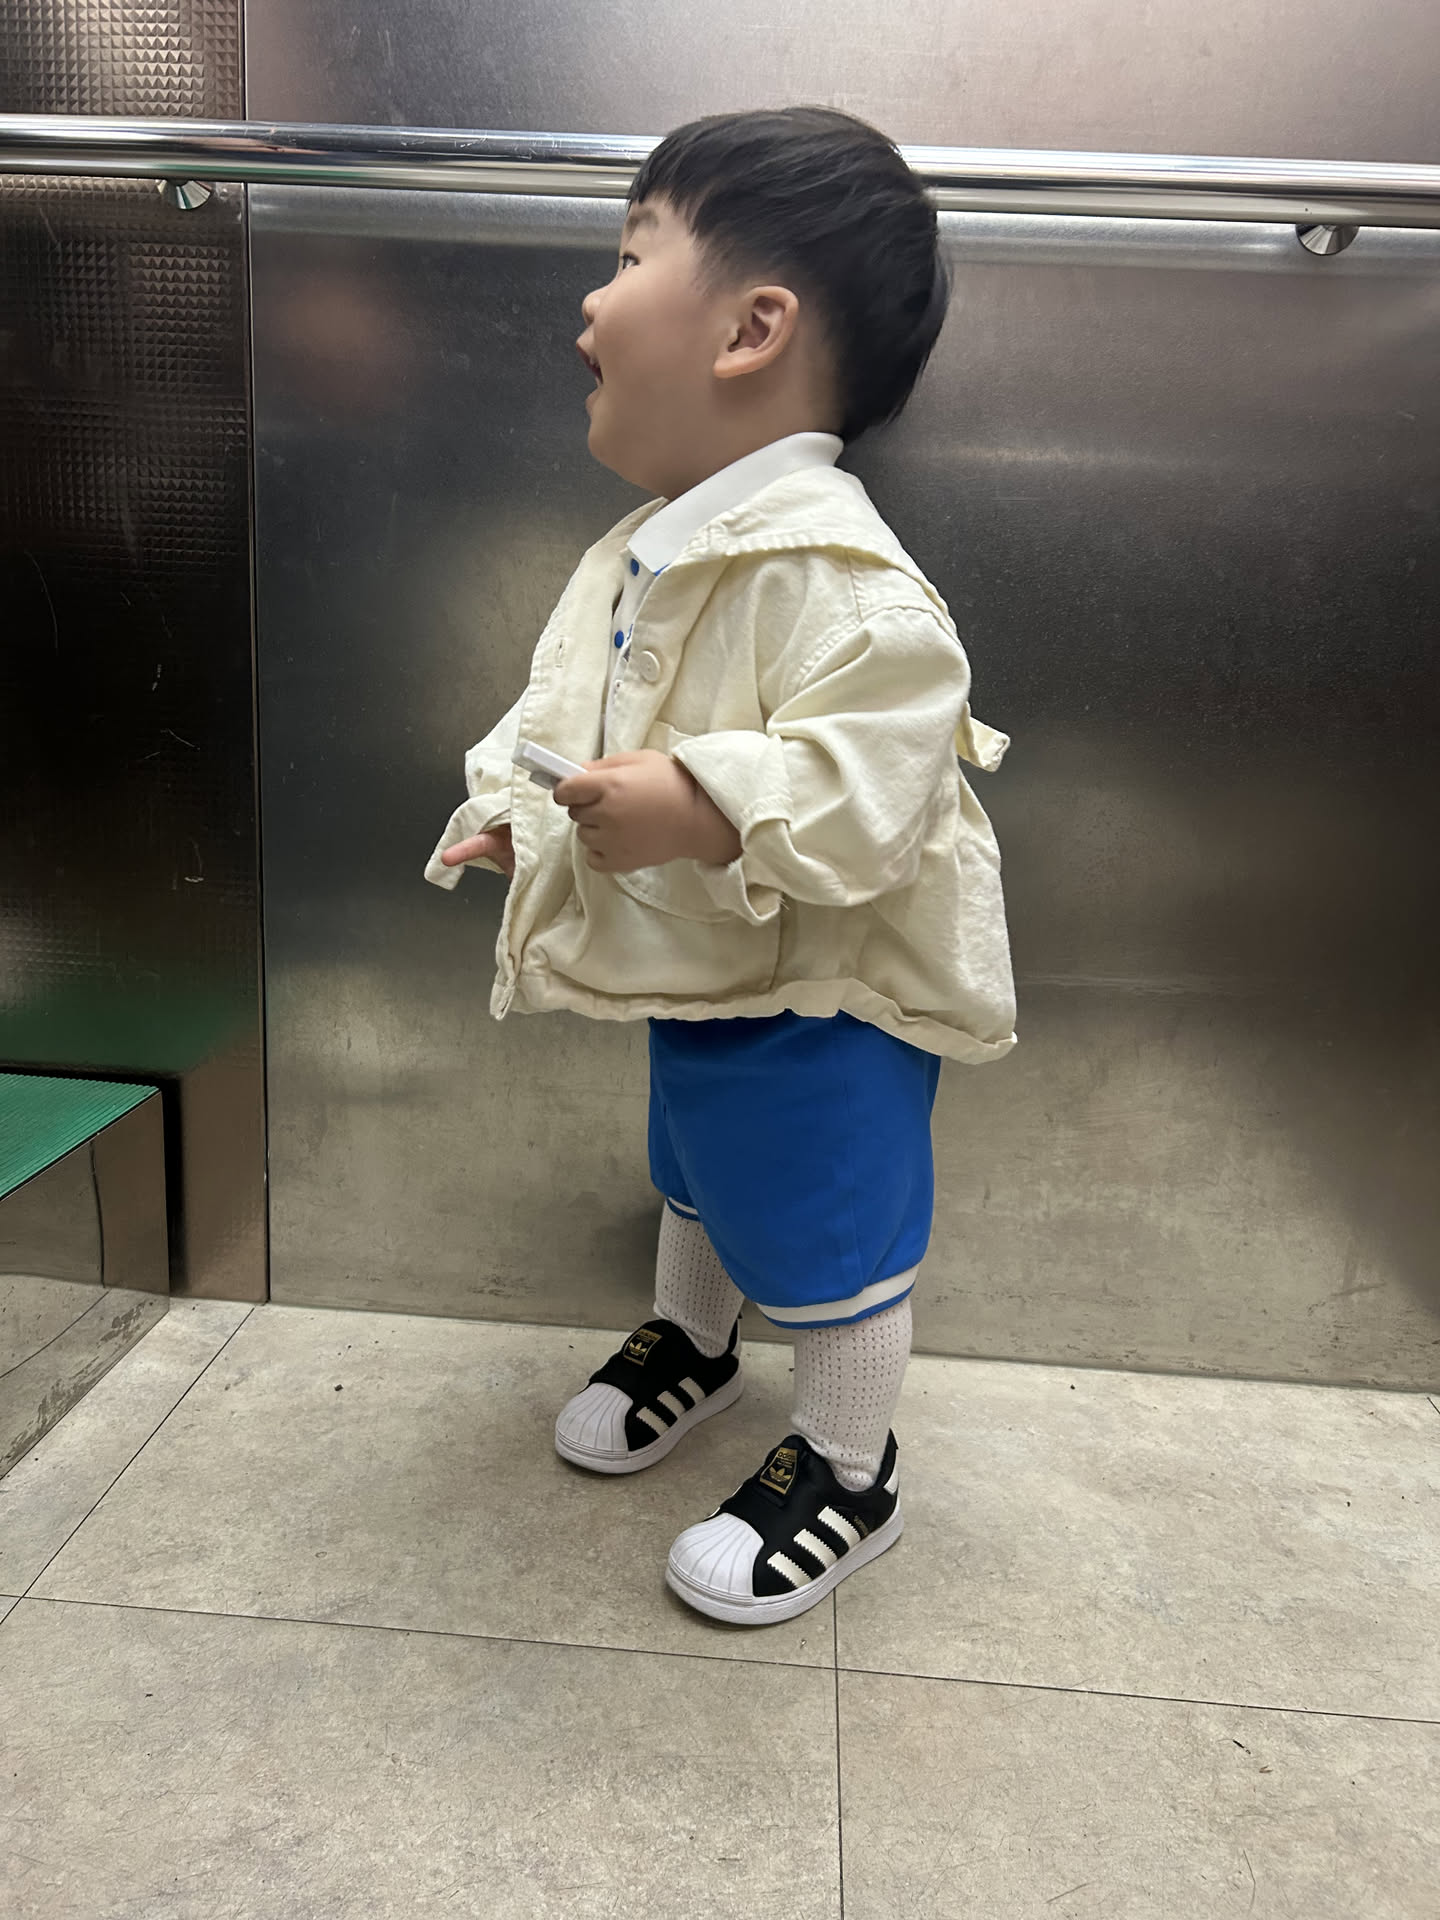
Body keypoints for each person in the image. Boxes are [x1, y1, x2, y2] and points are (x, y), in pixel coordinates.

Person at [425, 107, 1016, 1626]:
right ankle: (694, 1343)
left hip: (824, 998)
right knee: (697, 1173)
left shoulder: (846, 579)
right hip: (705, 963)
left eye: (630, 258)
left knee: (828, 1227)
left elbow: (877, 780)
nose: (590, 301)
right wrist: (518, 807)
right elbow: (569, 702)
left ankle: (850, 1462)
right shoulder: (653, 546)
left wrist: (705, 798)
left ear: (752, 330)